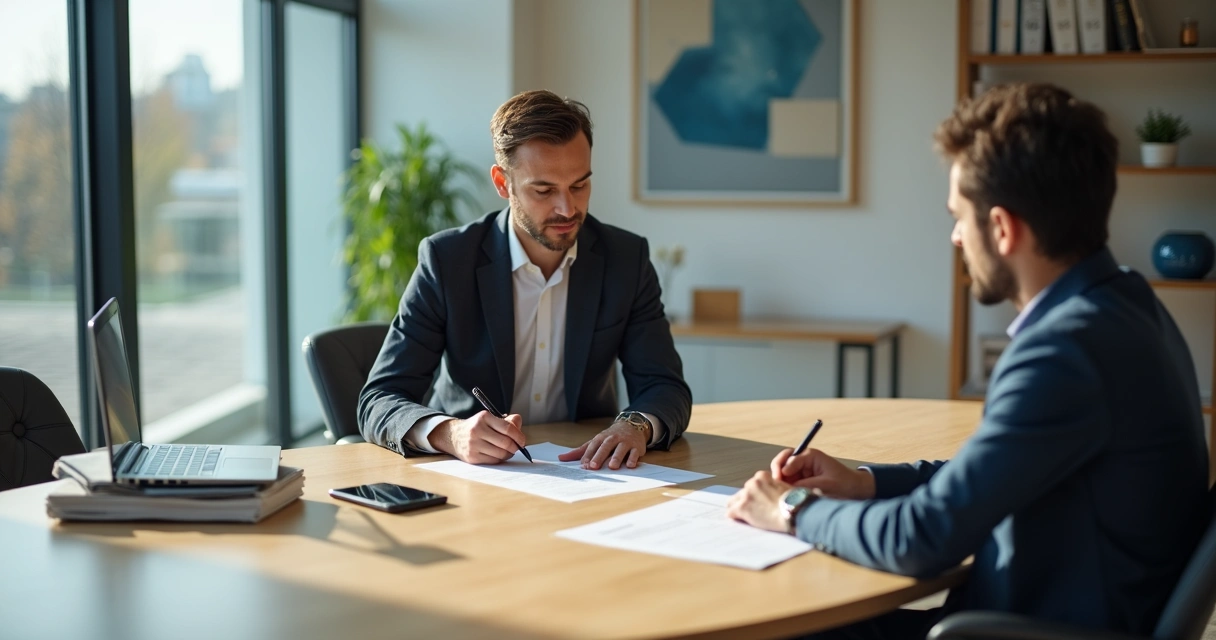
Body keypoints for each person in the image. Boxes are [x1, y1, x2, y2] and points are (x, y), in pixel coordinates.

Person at [726, 82, 1209, 638]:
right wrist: (864, 483)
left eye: (960, 216)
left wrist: (791, 514)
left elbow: (921, 541)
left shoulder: (1063, 353)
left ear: (1002, 229)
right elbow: (990, 475)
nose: (956, 237)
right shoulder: (1128, 302)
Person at [358, 89, 692, 471]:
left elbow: (665, 386)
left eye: (579, 185)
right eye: (544, 190)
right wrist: (450, 433)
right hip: (476, 478)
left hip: (590, 472)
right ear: (503, 183)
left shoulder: (625, 259)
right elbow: (379, 399)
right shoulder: (448, 261)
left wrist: (635, 426)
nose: (567, 208)